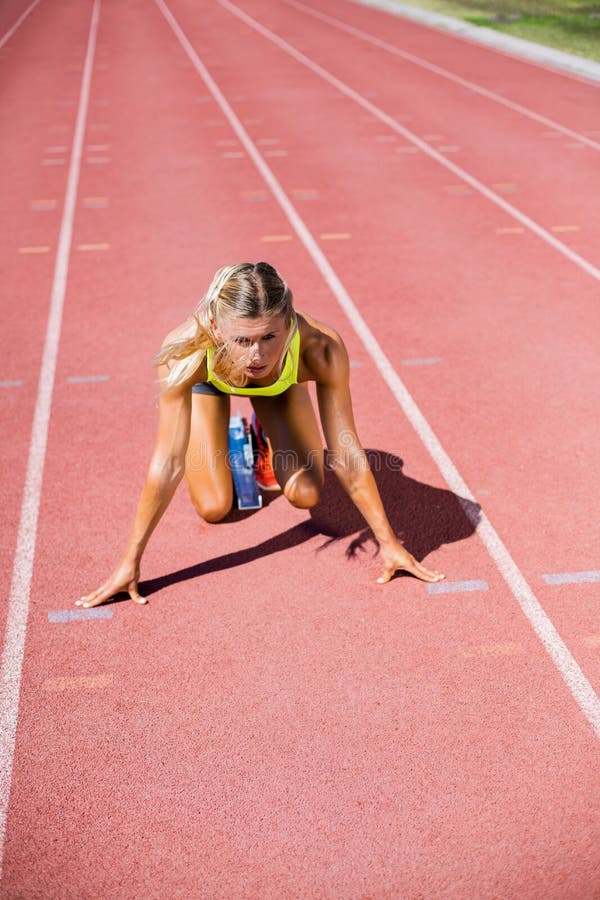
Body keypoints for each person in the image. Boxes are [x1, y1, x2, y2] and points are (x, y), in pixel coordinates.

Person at [75, 262, 444, 608]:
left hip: (279, 387)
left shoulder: (321, 348)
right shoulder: (184, 352)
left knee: (306, 493)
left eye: (270, 336)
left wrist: (389, 542)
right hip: (211, 384)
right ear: (217, 331)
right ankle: (238, 435)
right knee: (214, 507)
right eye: (243, 340)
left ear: (288, 323)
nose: (257, 354)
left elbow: (345, 451)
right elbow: (168, 460)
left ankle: (263, 434)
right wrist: (130, 561)